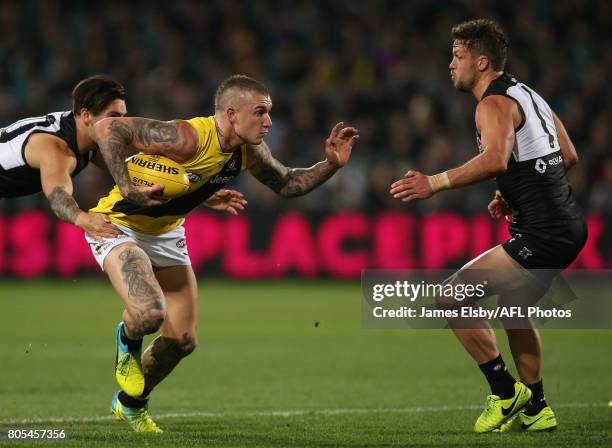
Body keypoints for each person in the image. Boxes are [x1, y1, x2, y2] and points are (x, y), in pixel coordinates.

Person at [87, 74, 359, 432]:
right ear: (232, 114)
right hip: (118, 224)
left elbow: (287, 182)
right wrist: (127, 185)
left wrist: (331, 165)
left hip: (166, 233)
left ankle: (130, 404)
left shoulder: (247, 151)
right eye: (260, 112)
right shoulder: (187, 136)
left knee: (182, 340)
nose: (269, 122)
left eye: (270, 113)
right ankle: (127, 338)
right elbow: (107, 129)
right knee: (150, 313)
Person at [390, 19, 586, 433]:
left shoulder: (492, 104)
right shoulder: (528, 94)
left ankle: (504, 391)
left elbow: (496, 159)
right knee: (515, 311)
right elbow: (567, 155)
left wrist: (435, 182)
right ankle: (538, 408)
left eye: (458, 57)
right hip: (567, 225)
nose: (450, 64)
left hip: (543, 233)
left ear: (482, 62)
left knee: (451, 297)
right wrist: (514, 194)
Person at [0, 75, 127, 240]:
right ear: (87, 115)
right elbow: (58, 198)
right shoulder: (56, 148)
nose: (122, 125)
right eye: (113, 116)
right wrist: (84, 219)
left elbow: (127, 168)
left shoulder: (85, 132)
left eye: (124, 117)